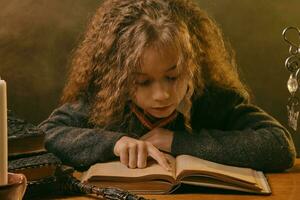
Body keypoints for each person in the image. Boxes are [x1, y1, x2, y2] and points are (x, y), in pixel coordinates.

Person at [39, 0, 296, 172]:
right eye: (142, 82)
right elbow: (45, 135)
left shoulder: (212, 99)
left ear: (192, 65)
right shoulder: (105, 103)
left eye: (173, 77)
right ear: (117, 79)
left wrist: (177, 142)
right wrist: (114, 143)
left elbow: (279, 146)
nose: (161, 95)